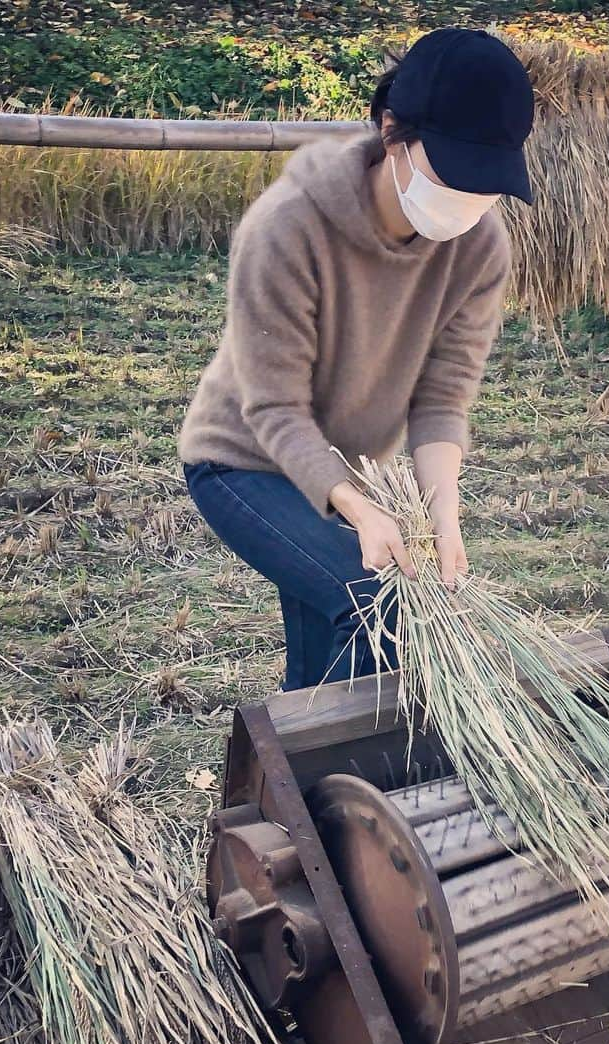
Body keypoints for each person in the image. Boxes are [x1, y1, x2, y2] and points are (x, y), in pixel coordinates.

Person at [180, 28, 534, 691]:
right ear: (391, 130)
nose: (469, 202)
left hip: (345, 469)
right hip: (246, 460)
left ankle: (305, 788)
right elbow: (275, 409)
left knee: (334, 664)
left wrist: (444, 520)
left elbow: (442, 396)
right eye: (453, 174)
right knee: (374, 602)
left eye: (486, 184)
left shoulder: (480, 247)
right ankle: (333, 784)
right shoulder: (286, 229)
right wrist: (359, 510)